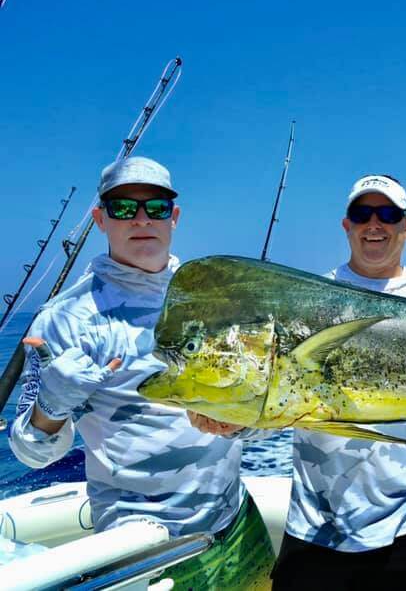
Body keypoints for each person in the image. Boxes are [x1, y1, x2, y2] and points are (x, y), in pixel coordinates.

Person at [9, 156, 274, 590]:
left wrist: (239, 423)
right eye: (123, 208)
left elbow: (265, 414)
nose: (141, 219)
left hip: (237, 523)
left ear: (174, 217)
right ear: (100, 219)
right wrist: (51, 405)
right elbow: (30, 453)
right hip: (145, 550)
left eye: (155, 207)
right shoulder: (62, 320)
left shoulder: (216, 302)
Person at [270, 174, 406, 590]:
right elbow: (274, 400)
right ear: (346, 224)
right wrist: (228, 421)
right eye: (362, 213)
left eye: (388, 213)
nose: (374, 223)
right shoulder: (309, 300)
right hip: (315, 524)